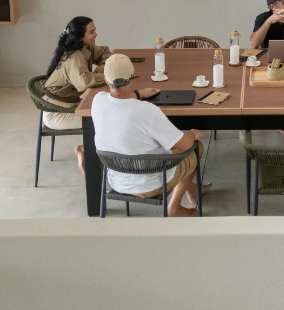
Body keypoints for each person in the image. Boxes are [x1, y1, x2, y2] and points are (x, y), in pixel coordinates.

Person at [91, 54, 209, 217]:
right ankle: (174, 208)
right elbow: (184, 145)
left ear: (105, 78)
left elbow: (119, 100)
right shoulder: (147, 111)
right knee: (196, 148)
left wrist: (138, 94)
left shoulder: (97, 101)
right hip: (151, 183)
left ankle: (193, 191)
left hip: (116, 179)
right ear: (133, 76)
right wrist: (192, 134)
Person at [43, 16, 111, 173]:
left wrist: (103, 64)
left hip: (71, 103)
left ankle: (89, 150)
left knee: (106, 111)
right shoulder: (74, 56)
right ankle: (86, 151)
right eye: (91, 32)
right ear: (80, 35)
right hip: (57, 112)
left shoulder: (84, 47)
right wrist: (110, 77)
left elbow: (105, 51)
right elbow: (85, 83)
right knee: (106, 119)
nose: (96, 35)